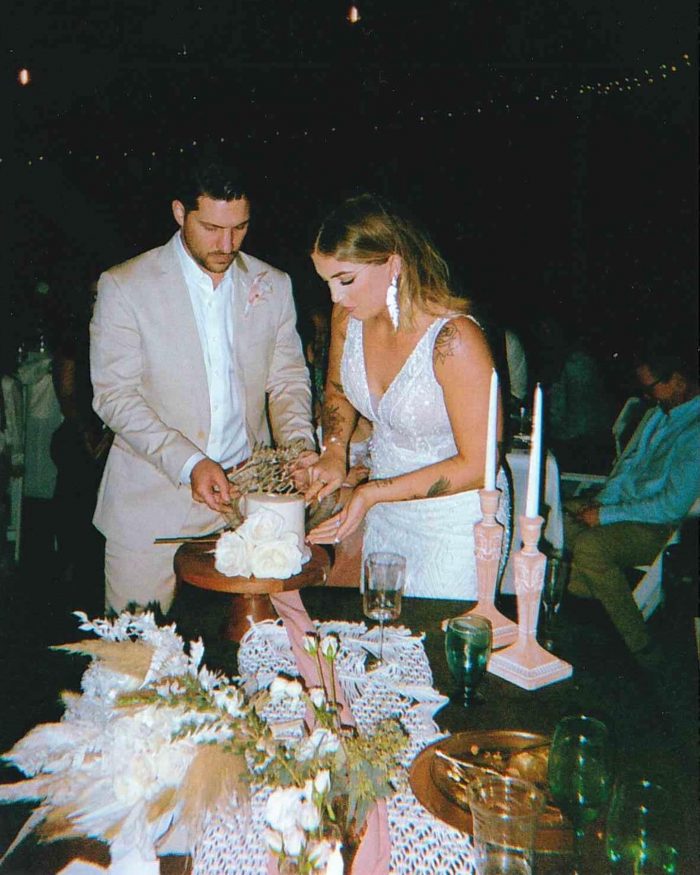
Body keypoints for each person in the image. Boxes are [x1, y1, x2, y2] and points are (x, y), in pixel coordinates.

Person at [90, 154, 315, 614]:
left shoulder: (273, 284)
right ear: (179, 212)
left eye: (240, 228)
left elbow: (289, 378)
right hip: (148, 507)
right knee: (138, 660)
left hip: (249, 512)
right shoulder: (125, 286)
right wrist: (190, 462)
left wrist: (297, 448)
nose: (227, 244)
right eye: (212, 228)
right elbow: (114, 397)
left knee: (248, 657)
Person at [300, 193, 505, 599]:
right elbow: (338, 389)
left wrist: (373, 492)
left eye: (345, 280)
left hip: (456, 523)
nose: (335, 299)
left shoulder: (454, 339)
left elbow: (482, 464)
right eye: (327, 283)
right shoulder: (349, 318)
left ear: (393, 262)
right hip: (387, 514)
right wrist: (334, 451)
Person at [564, 345, 700, 664]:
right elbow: (626, 469)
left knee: (591, 548)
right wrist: (600, 503)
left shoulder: (695, 431)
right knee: (559, 518)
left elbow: (671, 507)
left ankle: (641, 647)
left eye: (652, 388)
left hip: (658, 525)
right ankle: (591, 613)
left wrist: (606, 515)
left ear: (678, 381)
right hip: (628, 508)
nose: (648, 397)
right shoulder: (657, 415)